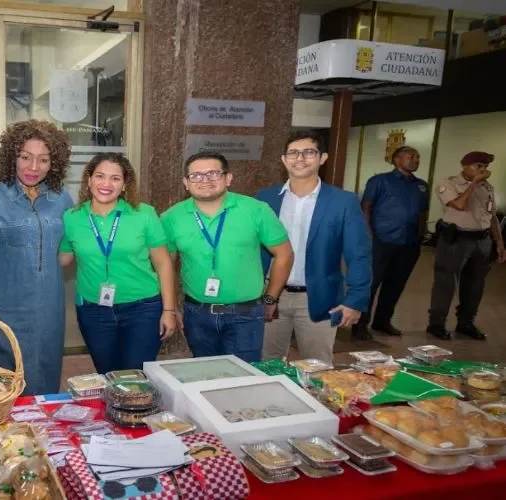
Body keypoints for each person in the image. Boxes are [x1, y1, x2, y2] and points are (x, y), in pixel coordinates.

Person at [161, 152, 293, 362]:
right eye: (196, 176)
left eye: (213, 173)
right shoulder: (171, 217)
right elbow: (165, 265)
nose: (205, 180)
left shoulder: (256, 210)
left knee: (243, 379)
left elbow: (284, 254)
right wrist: (171, 307)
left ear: (228, 178)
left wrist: (270, 298)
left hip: (246, 314)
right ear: (186, 183)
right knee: (205, 376)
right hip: (197, 313)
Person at [0, 120, 74, 396]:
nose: (33, 168)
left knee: (45, 368)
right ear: (11, 157)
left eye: (43, 160)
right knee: (0, 377)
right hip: (2, 302)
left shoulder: (62, 200)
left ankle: (41, 432)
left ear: (54, 163)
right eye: (25, 157)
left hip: (48, 305)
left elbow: (70, 248)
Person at [258, 130, 372, 363]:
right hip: (270, 295)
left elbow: (359, 253)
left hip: (319, 297)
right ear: (283, 159)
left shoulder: (343, 201)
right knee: (266, 363)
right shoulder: (265, 198)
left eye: (309, 152)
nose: (300, 158)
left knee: (317, 368)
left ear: (322, 158)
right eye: (293, 153)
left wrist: (355, 299)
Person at [59, 153, 177, 374]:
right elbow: (63, 258)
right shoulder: (72, 217)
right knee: (107, 374)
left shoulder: (144, 214)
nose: (106, 184)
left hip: (143, 309)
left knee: (136, 376)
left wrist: (169, 310)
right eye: (100, 176)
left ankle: (136, 410)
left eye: (115, 178)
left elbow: (163, 264)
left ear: (124, 185)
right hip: (94, 310)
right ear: (90, 180)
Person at [427, 151, 506, 341]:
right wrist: (474, 183)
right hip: (456, 239)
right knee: (446, 283)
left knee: (475, 284)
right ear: (464, 166)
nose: (483, 170)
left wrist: (500, 243)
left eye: (485, 167)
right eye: (478, 166)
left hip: (482, 240)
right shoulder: (449, 184)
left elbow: (492, 217)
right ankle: (436, 324)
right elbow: (460, 205)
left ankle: (466, 323)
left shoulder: (487, 187)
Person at [353, 146, 428, 340]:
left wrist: (420, 237)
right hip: (381, 241)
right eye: (411, 156)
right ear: (396, 159)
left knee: (396, 284)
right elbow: (366, 208)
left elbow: (422, 213)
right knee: (371, 284)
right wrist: (368, 236)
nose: (416, 160)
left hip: (409, 243)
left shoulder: (421, 185)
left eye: (418, 157)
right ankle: (360, 324)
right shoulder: (380, 181)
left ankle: (382, 321)